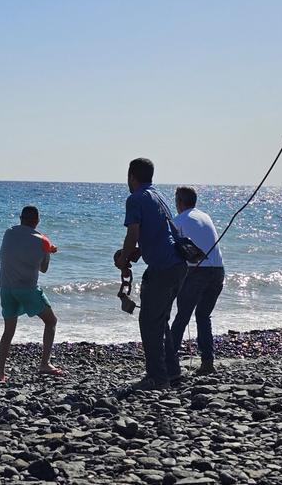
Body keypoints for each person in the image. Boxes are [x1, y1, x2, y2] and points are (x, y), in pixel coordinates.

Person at [115, 158, 187, 391]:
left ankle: (157, 378)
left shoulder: (135, 198)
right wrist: (139, 252)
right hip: (178, 265)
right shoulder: (159, 195)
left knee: (148, 323)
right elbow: (160, 232)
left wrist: (124, 259)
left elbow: (132, 234)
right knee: (160, 320)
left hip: (163, 268)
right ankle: (172, 371)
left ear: (131, 175)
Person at [0, 205, 62, 383]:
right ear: (37, 221)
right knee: (51, 321)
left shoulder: (8, 233)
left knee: (8, 330)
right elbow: (44, 269)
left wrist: (45, 246)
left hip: (6, 288)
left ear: (20, 218)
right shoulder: (43, 241)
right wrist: (47, 251)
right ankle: (45, 364)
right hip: (27, 289)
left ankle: (0, 373)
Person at [170, 187, 225, 376]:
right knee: (203, 316)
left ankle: (168, 360)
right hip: (218, 270)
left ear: (179, 202)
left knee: (182, 317)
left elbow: (172, 249)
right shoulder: (205, 216)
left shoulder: (178, 220)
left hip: (198, 272)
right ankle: (207, 361)